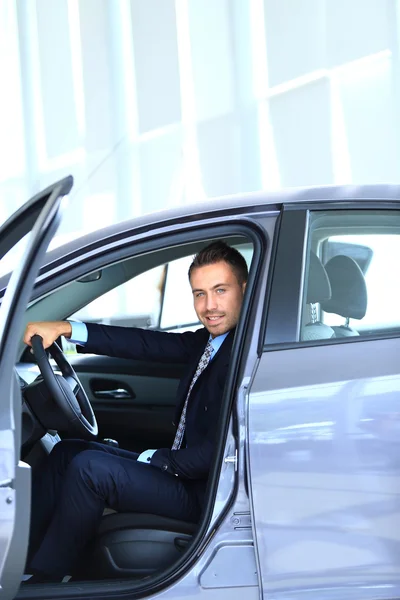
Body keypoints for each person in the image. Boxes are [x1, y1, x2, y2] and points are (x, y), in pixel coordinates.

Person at [23, 241, 248, 582]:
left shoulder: (243, 354)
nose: (209, 306)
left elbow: (220, 452)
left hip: (203, 491)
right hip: (183, 471)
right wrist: (68, 328)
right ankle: (19, 559)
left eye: (220, 290)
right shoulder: (210, 342)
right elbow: (147, 344)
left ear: (243, 290)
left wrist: (157, 459)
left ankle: (47, 579)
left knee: (89, 469)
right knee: (67, 452)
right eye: (199, 294)